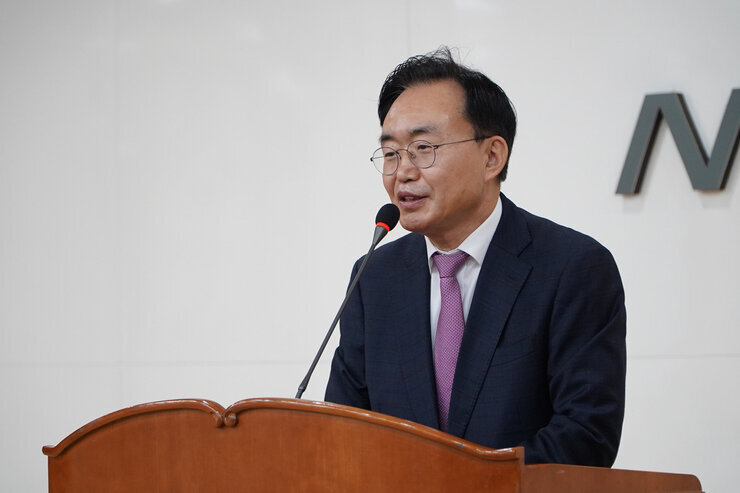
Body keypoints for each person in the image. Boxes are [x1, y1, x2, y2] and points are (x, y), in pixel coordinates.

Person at [324, 47, 626, 467]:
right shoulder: (374, 278)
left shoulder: (572, 268)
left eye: (423, 147)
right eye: (391, 153)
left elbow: (585, 436)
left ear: (492, 156)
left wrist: (460, 484)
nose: (402, 172)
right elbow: (344, 433)